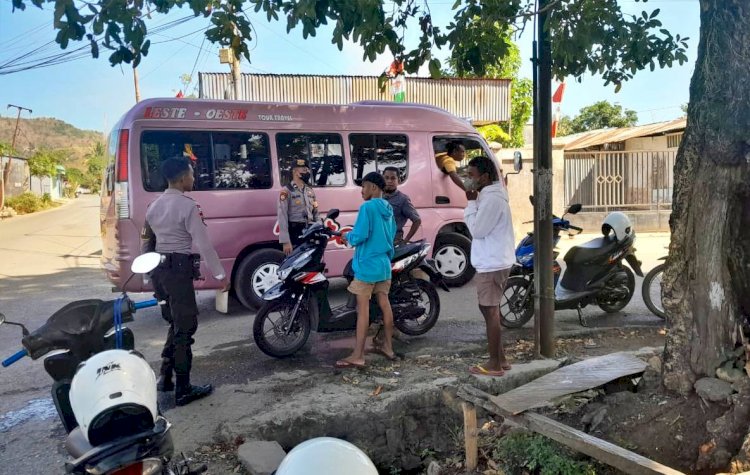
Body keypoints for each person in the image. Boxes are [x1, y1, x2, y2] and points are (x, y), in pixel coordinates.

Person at [141, 157, 230, 406]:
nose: (193, 178)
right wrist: (221, 276)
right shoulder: (188, 206)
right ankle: (183, 389)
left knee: (175, 324)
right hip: (178, 272)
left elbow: (146, 243)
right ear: (181, 179)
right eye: (191, 174)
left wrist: (148, 275)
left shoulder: (153, 205)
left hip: (159, 271)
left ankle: (165, 378)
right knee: (185, 329)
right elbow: (203, 243)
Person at [336, 172, 397, 369]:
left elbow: (360, 234)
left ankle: (358, 355)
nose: (361, 191)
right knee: (385, 305)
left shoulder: (367, 207)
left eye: (363, 187)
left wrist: (348, 238)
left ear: (373, 187)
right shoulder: (388, 207)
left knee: (362, 311)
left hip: (367, 265)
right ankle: (388, 347)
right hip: (384, 264)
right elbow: (392, 233)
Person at [464, 156, 516, 377]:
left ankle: (494, 363)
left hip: (493, 263)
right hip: (492, 260)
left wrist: (470, 203)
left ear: (484, 177)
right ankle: (500, 358)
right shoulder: (491, 195)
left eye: (471, 175)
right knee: (487, 308)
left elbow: (477, 231)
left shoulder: (491, 199)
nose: (468, 180)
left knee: (490, 310)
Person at [278, 158, 319, 255]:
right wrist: (285, 241)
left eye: (307, 169)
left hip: (310, 231)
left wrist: (318, 230)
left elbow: (316, 212)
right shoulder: (286, 191)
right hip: (295, 233)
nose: (307, 172)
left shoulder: (310, 190)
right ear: (295, 171)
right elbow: (282, 216)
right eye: (304, 170)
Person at [383, 167, 421, 244]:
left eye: (393, 178)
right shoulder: (377, 197)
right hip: (376, 243)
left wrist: (405, 241)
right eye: (386, 178)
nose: (389, 181)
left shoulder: (403, 199)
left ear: (399, 181)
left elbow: (417, 220)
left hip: (393, 243)